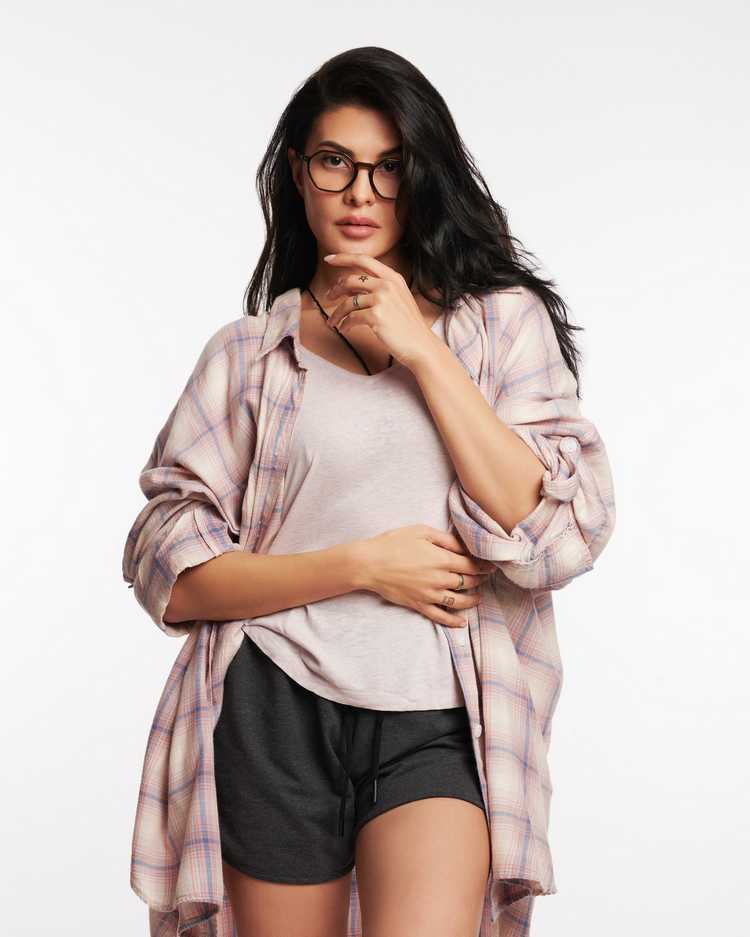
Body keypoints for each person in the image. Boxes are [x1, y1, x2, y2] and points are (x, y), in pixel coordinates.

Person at [122, 46, 616, 937]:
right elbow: (174, 575)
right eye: (335, 162)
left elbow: (555, 535)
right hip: (272, 705)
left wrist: (422, 349)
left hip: (440, 714)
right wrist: (363, 565)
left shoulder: (500, 326)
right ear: (298, 175)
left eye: (390, 167)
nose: (361, 192)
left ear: (422, 177)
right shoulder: (248, 357)